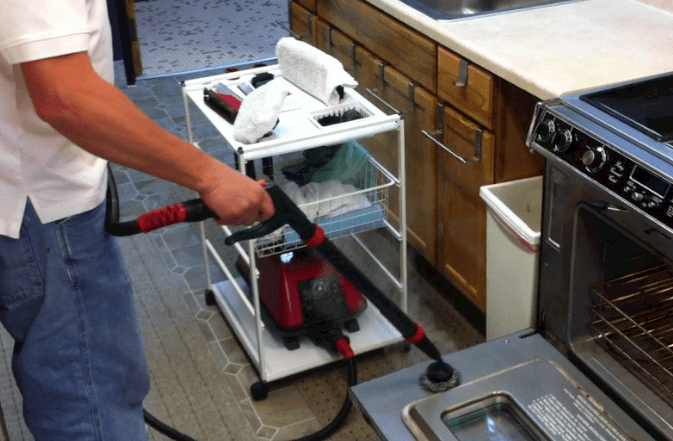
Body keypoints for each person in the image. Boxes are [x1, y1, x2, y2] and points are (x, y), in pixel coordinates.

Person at [0, 0, 275, 440]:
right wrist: (209, 175)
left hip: (29, 192)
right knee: (91, 395)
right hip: (44, 207)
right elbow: (65, 98)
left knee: (72, 373)